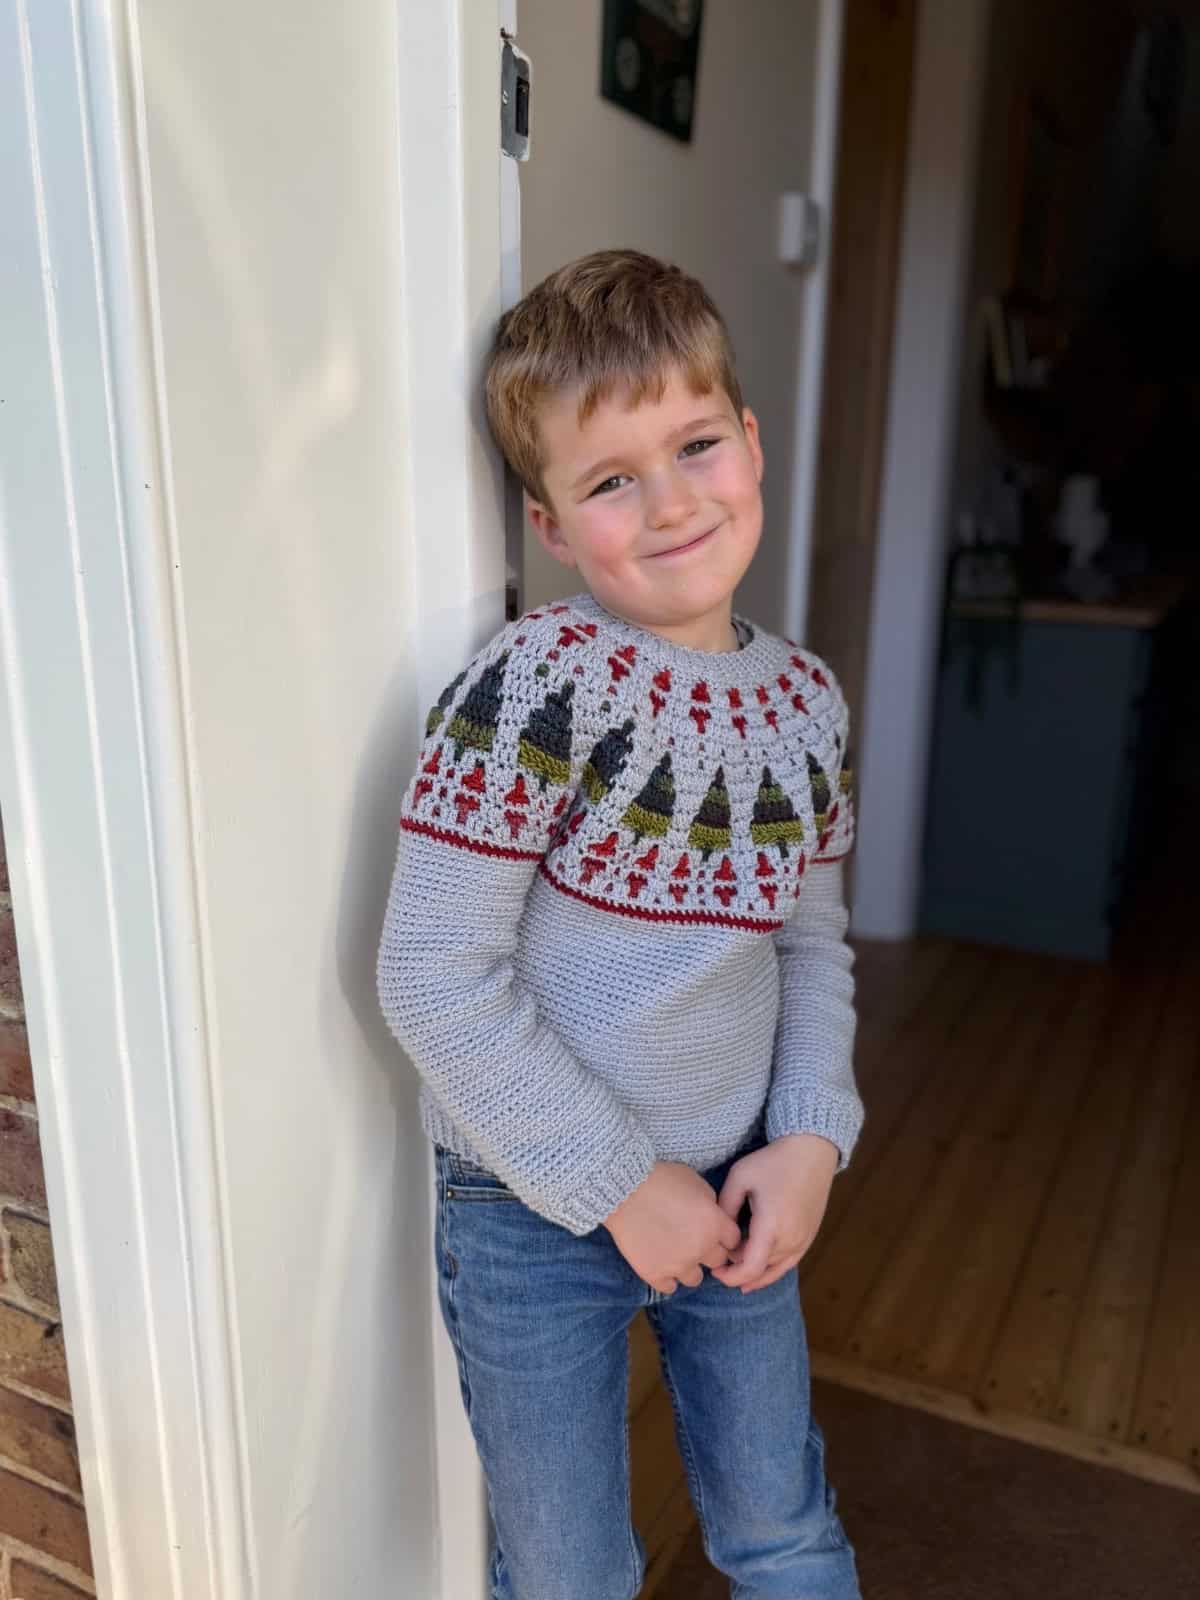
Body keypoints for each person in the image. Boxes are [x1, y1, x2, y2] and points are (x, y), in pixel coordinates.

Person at [376, 248, 864, 1600]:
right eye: (609, 480)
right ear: (548, 524)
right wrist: (615, 1184)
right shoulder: (532, 690)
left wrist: (812, 1135)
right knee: (573, 1571)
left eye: (696, 443)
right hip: (534, 1212)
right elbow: (432, 974)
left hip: (744, 1186)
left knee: (784, 1533)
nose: (668, 503)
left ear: (749, 442)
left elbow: (808, 941)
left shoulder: (809, 705)